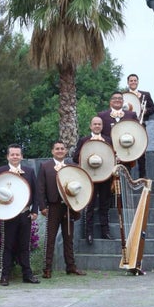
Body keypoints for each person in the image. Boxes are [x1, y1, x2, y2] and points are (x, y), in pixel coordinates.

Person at [38, 141, 86, 279]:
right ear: (52, 151)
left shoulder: (72, 166)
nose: (60, 151)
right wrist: (42, 206)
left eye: (62, 149)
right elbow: (40, 188)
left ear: (66, 151)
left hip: (68, 207)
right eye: (57, 149)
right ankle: (47, 268)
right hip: (52, 207)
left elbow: (79, 186)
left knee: (68, 237)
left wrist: (77, 205)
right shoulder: (45, 166)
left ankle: (70, 266)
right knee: (50, 238)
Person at [0, 144, 39, 286]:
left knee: (25, 246)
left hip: (25, 214)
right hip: (8, 215)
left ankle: (27, 274)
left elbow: (36, 193)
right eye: (12, 154)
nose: (15, 157)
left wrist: (34, 211)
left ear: (21, 156)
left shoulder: (30, 171)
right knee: (8, 246)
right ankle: (4, 275)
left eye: (17, 154)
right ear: (8, 156)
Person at [72, 116, 113, 244]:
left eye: (99, 124)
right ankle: (89, 233)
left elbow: (112, 156)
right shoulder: (84, 140)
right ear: (90, 126)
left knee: (104, 205)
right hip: (89, 177)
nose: (97, 126)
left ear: (102, 126)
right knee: (89, 205)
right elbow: (75, 158)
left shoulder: (108, 140)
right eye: (94, 124)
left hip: (105, 177)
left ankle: (105, 231)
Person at [124, 73, 154, 177]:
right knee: (127, 149)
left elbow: (153, 109)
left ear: (138, 82)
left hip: (140, 124)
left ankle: (142, 176)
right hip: (127, 126)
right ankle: (127, 175)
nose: (133, 82)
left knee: (141, 151)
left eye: (135, 80)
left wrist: (145, 110)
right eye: (131, 81)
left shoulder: (145, 94)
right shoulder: (123, 96)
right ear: (128, 83)